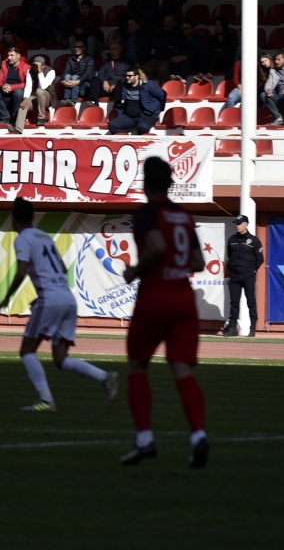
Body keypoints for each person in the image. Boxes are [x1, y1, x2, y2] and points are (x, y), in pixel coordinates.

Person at [119, 156, 209, 469]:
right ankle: (198, 435)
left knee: (138, 366)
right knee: (183, 371)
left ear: (145, 183)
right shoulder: (183, 215)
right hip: (184, 296)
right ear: (171, 182)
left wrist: (134, 272)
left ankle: (144, 439)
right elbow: (198, 263)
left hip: (156, 294)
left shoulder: (146, 213)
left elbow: (155, 246)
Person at [0, 197, 118, 411]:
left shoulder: (23, 238)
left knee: (27, 351)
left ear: (14, 218)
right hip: (67, 298)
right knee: (60, 359)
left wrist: (7, 297)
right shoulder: (44, 236)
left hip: (51, 299)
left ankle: (46, 400)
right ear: (32, 216)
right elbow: (62, 268)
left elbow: (21, 271)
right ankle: (104, 377)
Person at [223, 215, 264, 338]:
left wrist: (252, 270)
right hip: (235, 276)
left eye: (239, 223)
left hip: (248, 276)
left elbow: (260, 259)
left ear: (246, 224)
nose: (237, 226)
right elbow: (229, 256)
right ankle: (232, 328)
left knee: (250, 301)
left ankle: (252, 328)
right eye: (236, 223)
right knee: (234, 303)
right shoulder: (231, 239)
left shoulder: (254, 241)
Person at [109, 67, 166, 135]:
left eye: (130, 76)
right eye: (126, 76)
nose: (127, 78)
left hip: (146, 116)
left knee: (142, 127)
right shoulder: (124, 86)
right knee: (112, 125)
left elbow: (162, 94)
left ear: (137, 77)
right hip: (129, 117)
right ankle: (126, 140)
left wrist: (159, 110)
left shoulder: (148, 85)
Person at [15, 55, 56, 132]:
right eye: (34, 65)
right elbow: (28, 87)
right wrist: (25, 99)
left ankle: (41, 118)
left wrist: (40, 72)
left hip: (48, 98)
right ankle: (18, 128)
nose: (35, 67)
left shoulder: (51, 71)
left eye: (37, 65)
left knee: (39, 91)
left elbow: (43, 86)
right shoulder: (30, 71)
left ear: (43, 66)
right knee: (24, 104)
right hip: (35, 97)